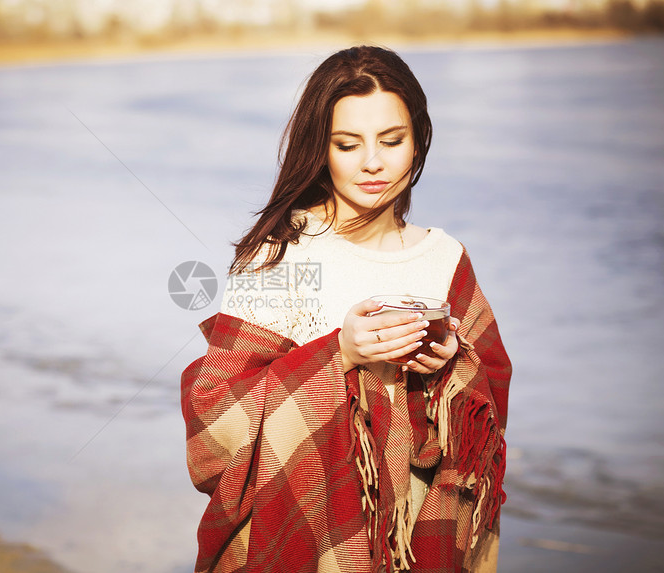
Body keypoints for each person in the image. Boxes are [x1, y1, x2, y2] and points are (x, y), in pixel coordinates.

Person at [181, 45, 511, 573]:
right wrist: (341, 353)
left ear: (418, 142)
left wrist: (452, 364)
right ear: (322, 148)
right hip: (309, 529)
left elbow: (489, 412)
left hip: (420, 536)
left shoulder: (446, 258)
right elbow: (214, 422)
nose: (373, 163)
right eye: (347, 144)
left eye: (391, 140)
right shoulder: (281, 254)